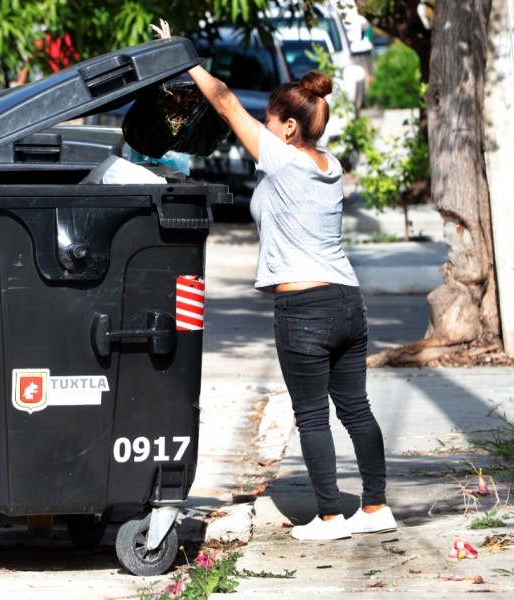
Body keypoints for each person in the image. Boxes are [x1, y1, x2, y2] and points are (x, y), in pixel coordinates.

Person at [152, 19, 397, 541]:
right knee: (356, 409)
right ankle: (376, 506)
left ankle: (331, 516)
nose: (261, 124)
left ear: (288, 127)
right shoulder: (330, 166)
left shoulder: (282, 161)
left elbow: (221, 100)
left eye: (269, 118)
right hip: (346, 301)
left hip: (305, 310)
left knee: (311, 416)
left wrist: (182, 54)